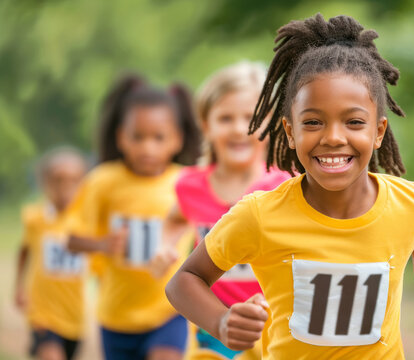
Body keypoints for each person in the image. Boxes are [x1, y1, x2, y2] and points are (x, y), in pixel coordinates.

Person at [166, 14, 414, 360]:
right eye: (313, 122)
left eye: (354, 122)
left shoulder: (413, 204)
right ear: (290, 132)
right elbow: (184, 280)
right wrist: (220, 322)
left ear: (379, 131)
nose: (334, 137)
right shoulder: (259, 214)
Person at [150, 61, 291, 360]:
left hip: (274, 324)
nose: (239, 129)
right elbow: (176, 218)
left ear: (272, 124)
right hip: (215, 324)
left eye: (250, 118)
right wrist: (164, 246)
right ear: (206, 124)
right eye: (225, 118)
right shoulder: (191, 185)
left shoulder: (284, 186)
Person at [66, 75, 201, 360]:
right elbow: (71, 240)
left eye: (158, 138)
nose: (147, 148)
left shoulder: (187, 183)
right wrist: (102, 244)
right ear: (120, 137)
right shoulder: (102, 181)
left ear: (177, 139)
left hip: (169, 309)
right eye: (137, 137)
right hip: (117, 315)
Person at [14, 147, 88, 360]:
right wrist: (19, 286)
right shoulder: (35, 218)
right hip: (43, 314)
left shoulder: (86, 221)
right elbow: (25, 250)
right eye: (58, 180)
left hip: (74, 317)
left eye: (74, 180)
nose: (66, 187)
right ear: (45, 182)